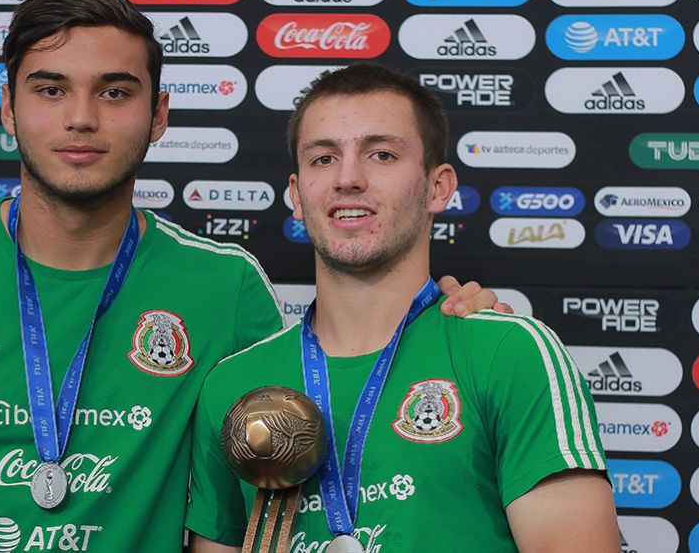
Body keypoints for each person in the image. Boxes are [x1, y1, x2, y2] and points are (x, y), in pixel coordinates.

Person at [0, 0, 505, 551]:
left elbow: (331, 425)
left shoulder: (225, 287)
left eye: (114, 91)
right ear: (7, 108)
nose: (80, 118)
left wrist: (447, 331)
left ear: (158, 113)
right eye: (48, 90)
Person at [187, 63, 620, 553]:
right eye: (324, 158)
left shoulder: (509, 352)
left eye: (382, 154)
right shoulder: (233, 383)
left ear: (438, 187)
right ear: (296, 194)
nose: (348, 178)